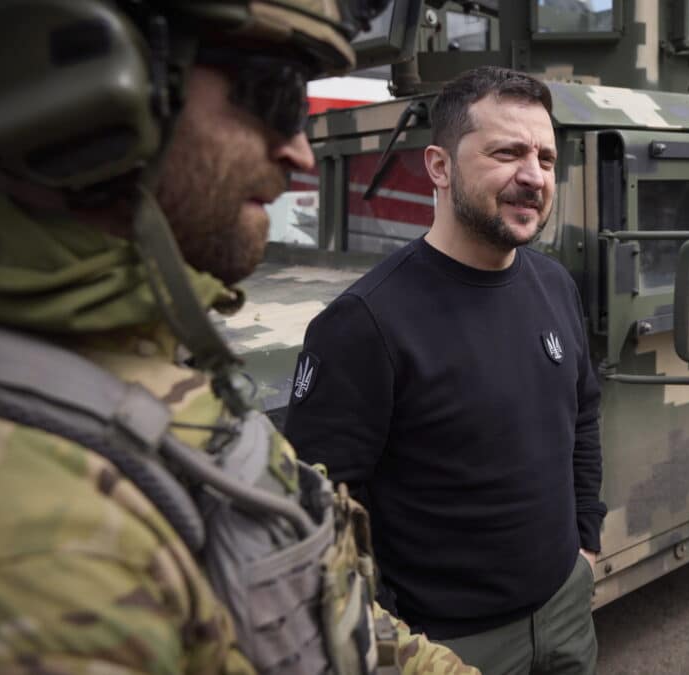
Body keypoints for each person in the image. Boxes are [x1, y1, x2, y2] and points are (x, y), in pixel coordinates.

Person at [0, 2, 475, 673]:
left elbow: (323, 617)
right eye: (276, 96)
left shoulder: (135, 341)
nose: (300, 151)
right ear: (95, 93)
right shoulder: (32, 549)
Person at [284, 66, 605, 675]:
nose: (533, 176)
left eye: (545, 156)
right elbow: (318, 514)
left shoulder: (555, 285)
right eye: (507, 152)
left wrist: (586, 542)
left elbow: (583, 414)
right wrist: (389, 639)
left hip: (565, 613)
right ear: (438, 167)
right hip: (447, 646)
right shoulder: (364, 323)